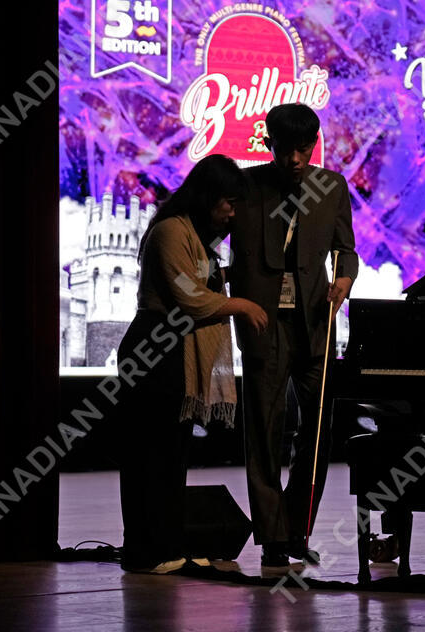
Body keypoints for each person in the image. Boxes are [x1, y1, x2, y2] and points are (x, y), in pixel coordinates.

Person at [113, 154, 268, 574]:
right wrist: (242, 305)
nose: (232, 213)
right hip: (154, 348)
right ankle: (148, 551)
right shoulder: (170, 232)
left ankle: (165, 547)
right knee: (151, 455)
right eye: (229, 203)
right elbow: (191, 297)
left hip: (173, 351)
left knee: (171, 454)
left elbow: (202, 283)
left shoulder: (195, 237)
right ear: (207, 196)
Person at [228, 104, 358, 571]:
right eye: (286, 151)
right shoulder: (246, 187)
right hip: (263, 323)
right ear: (269, 145)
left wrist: (344, 280)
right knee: (264, 431)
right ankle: (272, 538)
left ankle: (297, 530)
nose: (296, 160)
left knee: (318, 432)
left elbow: (346, 249)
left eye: (304, 149)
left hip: (315, 323)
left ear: (314, 144)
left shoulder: (332, 187)